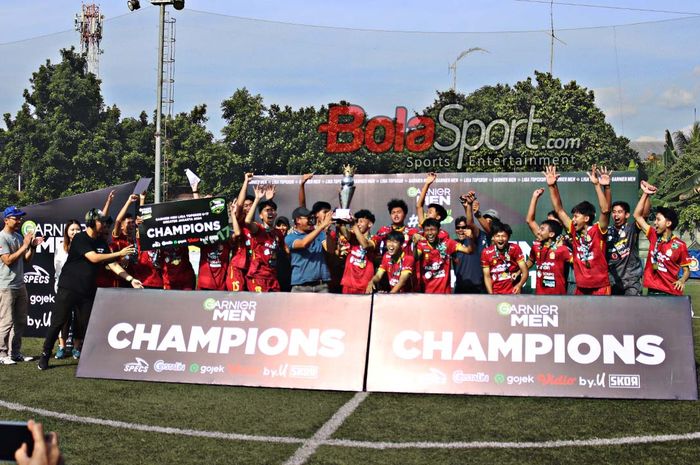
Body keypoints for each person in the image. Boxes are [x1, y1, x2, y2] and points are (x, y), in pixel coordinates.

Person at [38, 208, 141, 370]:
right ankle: (45, 355)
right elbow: (93, 257)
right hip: (69, 288)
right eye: (101, 221)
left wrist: (130, 279)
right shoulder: (80, 238)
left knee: (88, 325)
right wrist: (118, 253)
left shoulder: (101, 242)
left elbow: (112, 264)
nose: (105, 224)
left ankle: (91, 356)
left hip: (87, 292)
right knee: (58, 322)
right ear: (92, 223)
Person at [545, 164, 612, 295]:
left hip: (600, 287)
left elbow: (605, 210)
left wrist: (598, 185)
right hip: (581, 287)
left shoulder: (598, 230)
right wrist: (552, 186)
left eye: (576, 216)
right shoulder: (573, 231)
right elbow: (559, 209)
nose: (573, 219)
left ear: (586, 218)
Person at [633, 181, 692, 295]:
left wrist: (682, 280)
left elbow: (686, 271)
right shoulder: (653, 235)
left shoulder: (680, 245)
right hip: (652, 291)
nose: (655, 223)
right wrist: (645, 194)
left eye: (658, 219)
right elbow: (637, 216)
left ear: (668, 223)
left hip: (671, 292)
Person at [0, 206, 42, 365]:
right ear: (6, 220)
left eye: (20, 218)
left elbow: (27, 260)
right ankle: (2, 354)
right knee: (6, 321)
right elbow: (8, 260)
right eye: (15, 218)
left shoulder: (18, 237)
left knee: (20, 321)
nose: (19, 220)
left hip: (19, 284)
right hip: (5, 285)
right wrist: (25, 245)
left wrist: (32, 246)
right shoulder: (2, 237)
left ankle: (15, 352)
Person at [525, 188, 572, 295]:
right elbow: (530, 221)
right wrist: (535, 197)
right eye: (548, 220)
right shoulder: (541, 239)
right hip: (541, 292)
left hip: (561, 289)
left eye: (552, 221)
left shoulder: (566, 241)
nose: (540, 231)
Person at [244, 185, 287, 292]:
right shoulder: (258, 229)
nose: (270, 212)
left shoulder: (278, 233)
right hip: (257, 277)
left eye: (272, 210)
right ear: (261, 216)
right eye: (267, 211)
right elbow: (247, 222)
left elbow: (285, 250)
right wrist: (257, 199)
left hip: (272, 277)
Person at [414, 218, 472, 294]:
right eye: (427, 230)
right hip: (427, 293)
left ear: (438, 230)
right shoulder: (421, 245)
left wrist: (471, 238)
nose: (430, 233)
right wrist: (414, 245)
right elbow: (416, 257)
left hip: (445, 294)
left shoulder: (448, 243)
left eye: (432, 230)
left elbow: (468, 250)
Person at [285, 206, 335, 293]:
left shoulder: (319, 233)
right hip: (300, 287)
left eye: (311, 218)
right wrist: (322, 226)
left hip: (321, 286)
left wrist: (327, 231)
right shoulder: (290, 237)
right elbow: (303, 243)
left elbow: (330, 250)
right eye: (308, 218)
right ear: (298, 220)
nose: (311, 221)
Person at [606, 196, 650, 295]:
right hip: (613, 280)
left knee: (632, 309)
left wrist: (646, 194)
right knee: (614, 310)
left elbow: (644, 215)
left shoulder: (631, 228)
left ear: (627, 215)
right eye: (614, 212)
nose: (616, 215)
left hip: (631, 281)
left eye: (620, 212)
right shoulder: (607, 231)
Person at [53, 220, 81, 359]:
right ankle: (62, 347)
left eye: (77, 229)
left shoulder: (85, 246)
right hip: (64, 288)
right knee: (63, 318)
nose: (75, 232)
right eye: (72, 230)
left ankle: (76, 348)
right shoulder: (60, 247)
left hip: (81, 289)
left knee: (79, 318)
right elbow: (58, 269)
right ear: (67, 232)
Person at [452, 192, 488, 294]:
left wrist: (468, 206)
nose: (461, 230)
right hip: (460, 289)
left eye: (463, 227)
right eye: (458, 228)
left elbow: (470, 223)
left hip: (477, 288)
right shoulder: (453, 244)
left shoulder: (474, 238)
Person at [481, 222, 529, 294]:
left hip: (513, 293)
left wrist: (519, 286)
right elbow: (487, 276)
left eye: (503, 236)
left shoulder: (515, 248)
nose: (500, 239)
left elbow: (525, 271)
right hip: (496, 293)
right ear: (493, 237)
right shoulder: (486, 252)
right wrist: (491, 295)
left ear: (508, 237)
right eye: (497, 236)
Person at [339, 210, 376, 294]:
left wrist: (354, 225)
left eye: (361, 221)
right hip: (348, 283)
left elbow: (365, 245)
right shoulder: (352, 236)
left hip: (365, 285)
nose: (358, 224)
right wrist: (340, 222)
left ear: (370, 224)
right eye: (357, 221)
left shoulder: (375, 238)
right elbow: (345, 232)